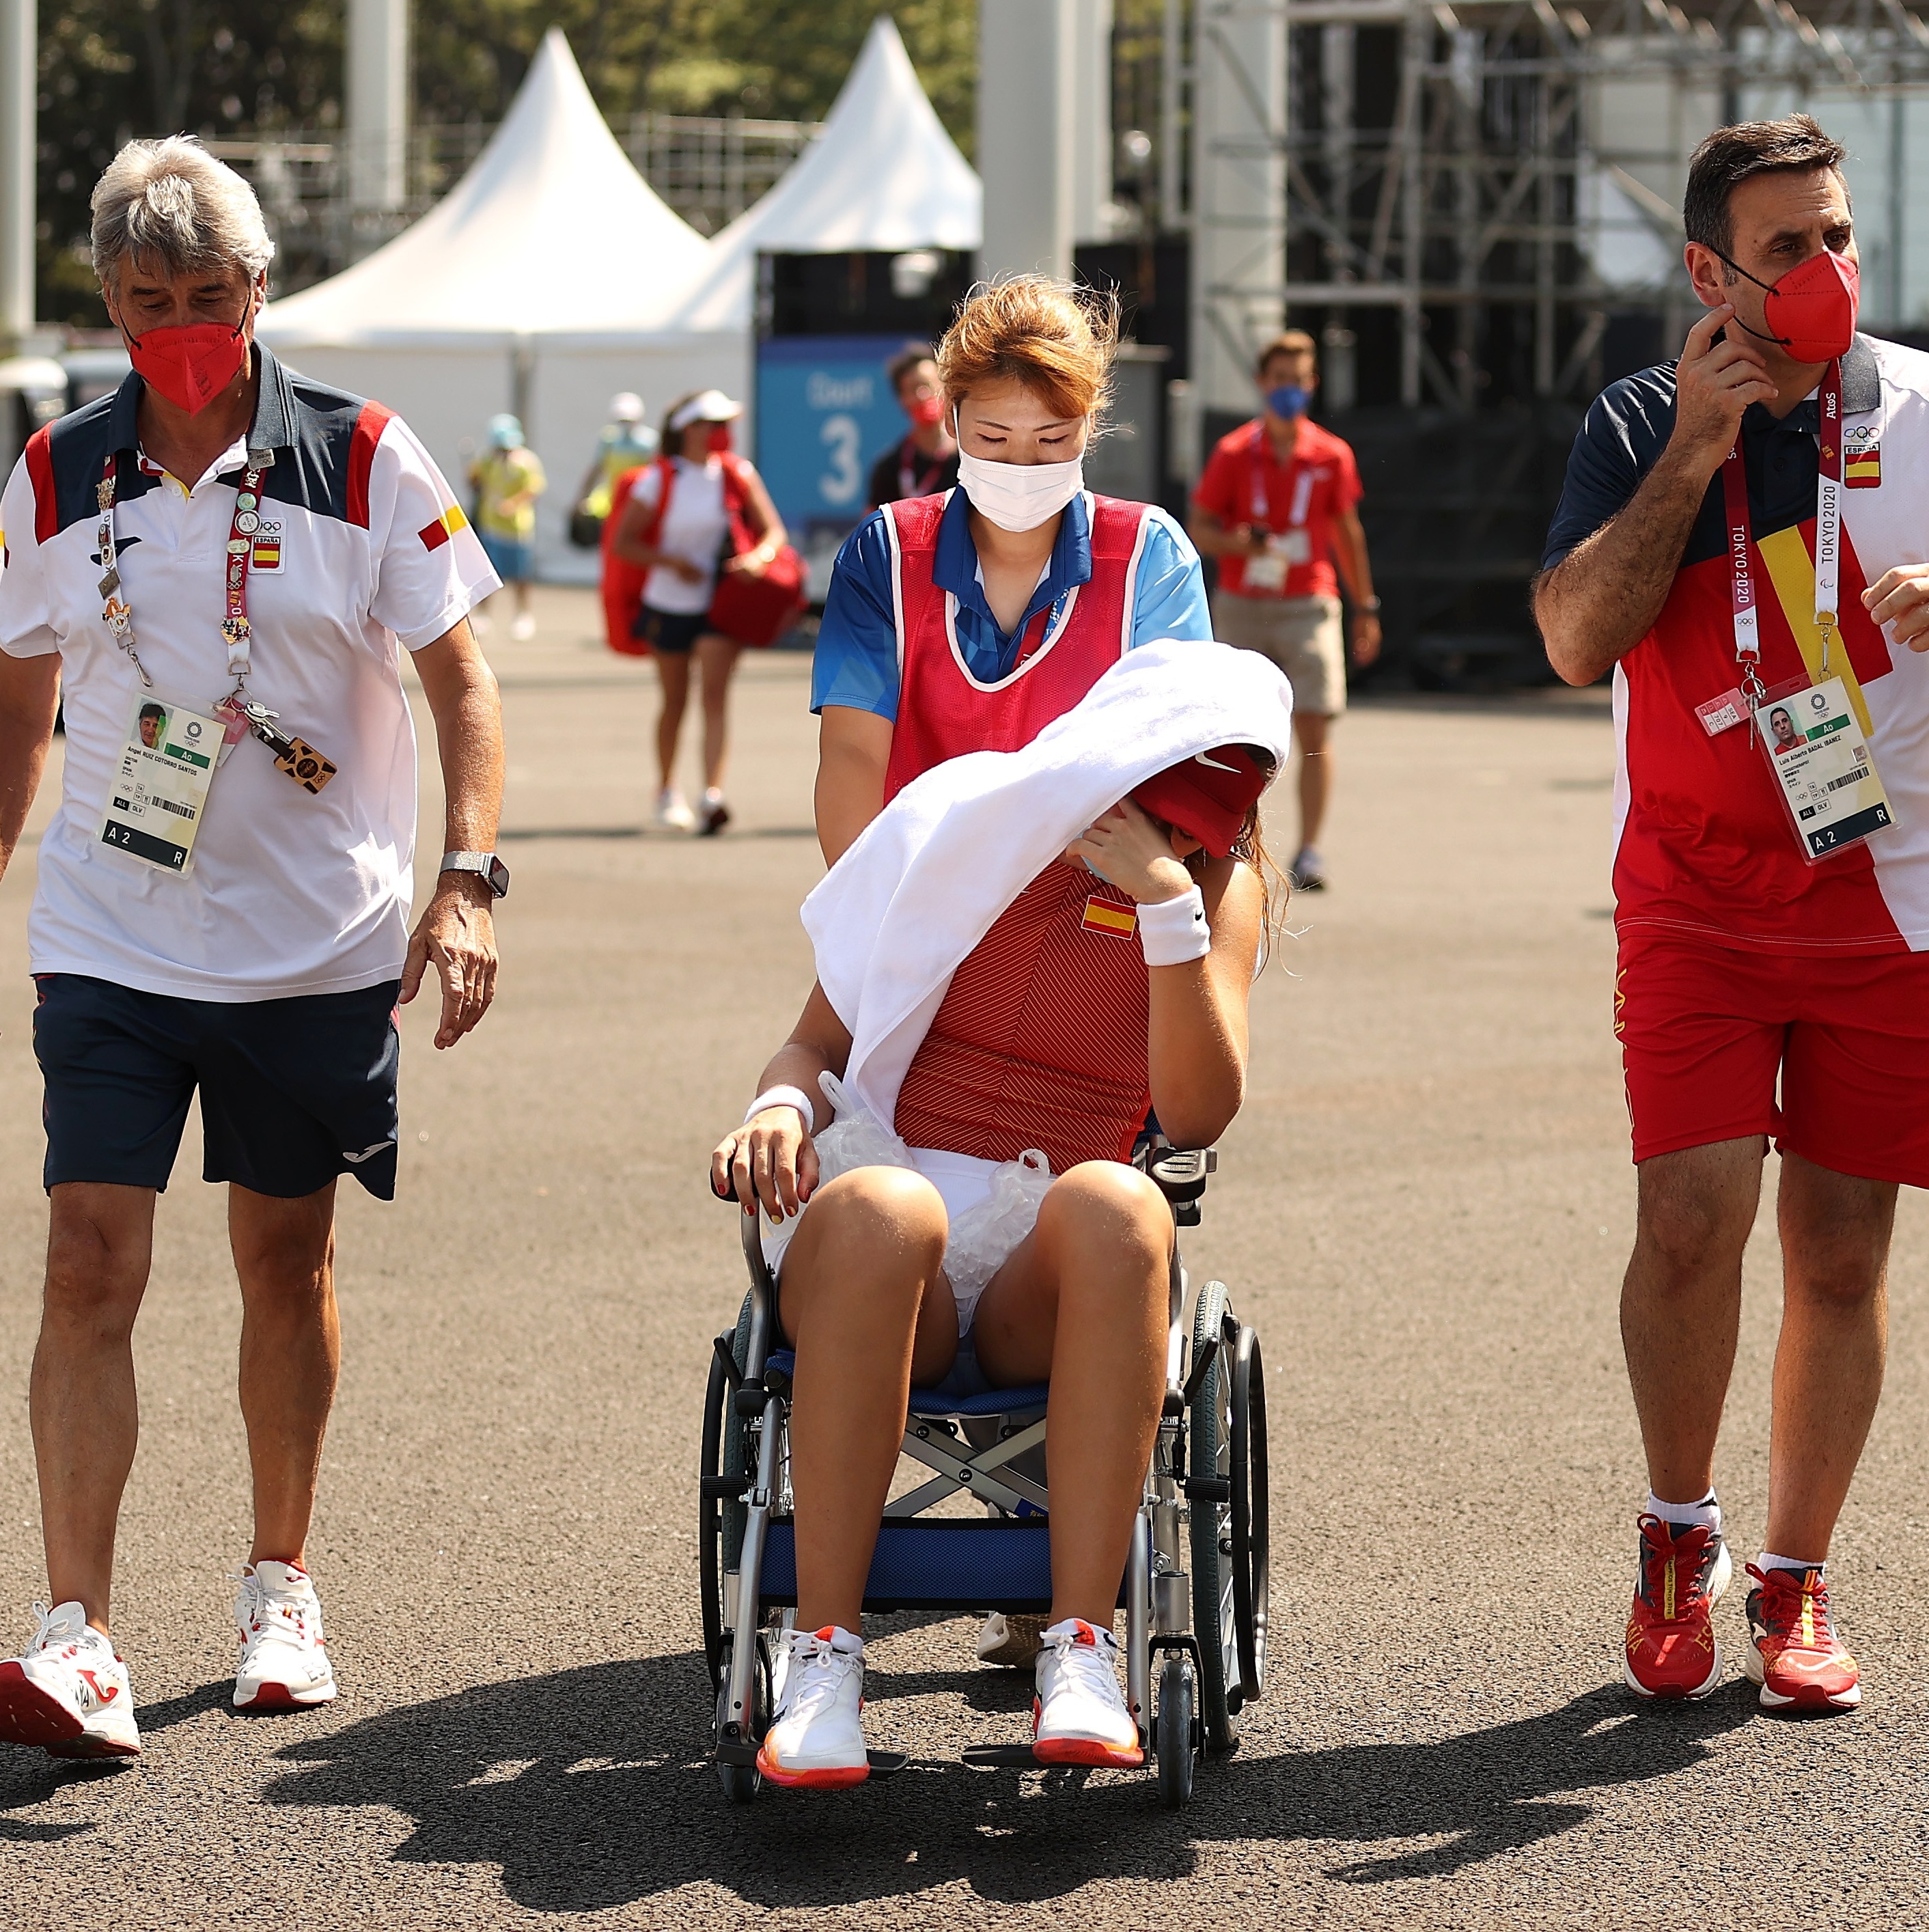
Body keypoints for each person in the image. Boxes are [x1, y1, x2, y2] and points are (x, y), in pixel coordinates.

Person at [0, 136, 507, 1761]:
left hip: (316, 947)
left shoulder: (363, 460)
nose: (181, 327)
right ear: (107, 302)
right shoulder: (49, 476)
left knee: (285, 1262)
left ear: (260, 288)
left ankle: (281, 1584)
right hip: (109, 934)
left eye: (207, 296)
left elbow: (460, 688)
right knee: (89, 1257)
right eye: (147, 301)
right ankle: (76, 1632)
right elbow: (17, 717)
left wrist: (468, 879)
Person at [711, 641, 1291, 1786]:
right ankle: (823, 1659)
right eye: (1157, 814)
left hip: (1048, 1248)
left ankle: (1079, 1648)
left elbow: (1194, 1109)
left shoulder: (1209, 887)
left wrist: (1166, 902)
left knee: (1125, 1205)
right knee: (885, 1205)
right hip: (890, 1211)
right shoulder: (961, 819)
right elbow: (816, 1043)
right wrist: (777, 1103)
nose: (1175, 839)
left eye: (1198, 829)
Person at [1535, 114, 1929, 1713]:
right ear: (1706, 270)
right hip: (1693, 901)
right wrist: (1691, 452)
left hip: (1887, 899)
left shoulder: (1916, 409)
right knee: (1688, 1225)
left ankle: (1794, 1576)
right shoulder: (1638, 418)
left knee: (1839, 1251)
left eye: (1838, 237)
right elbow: (1572, 638)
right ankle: (1672, 1537)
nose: (1825, 270)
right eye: (1786, 247)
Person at [813, 276, 1214, 870]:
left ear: (1090, 423)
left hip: (1097, 908)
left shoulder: (1148, 558)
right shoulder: (888, 553)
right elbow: (852, 754)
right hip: (918, 898)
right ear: (952, 420)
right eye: (993, 438)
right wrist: (867, 919)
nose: (1022, 465)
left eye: (1053, 438)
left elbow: (1177, 757)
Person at [1189, 329, 1382, 892]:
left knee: (1316, 724)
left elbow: (1348, 534)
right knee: (1231, 735)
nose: (1289, 390)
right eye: (1280, 380)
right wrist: (1243, 544)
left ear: (1312, 385)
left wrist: (1365, 606)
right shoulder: (1231, 453)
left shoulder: (1330, 454)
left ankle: (1311, 850)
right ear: (1261, 383)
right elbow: (1200, 529)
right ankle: (1229, 840)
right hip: (1244, 604)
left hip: (1308, 603)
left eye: (1299, 381)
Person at [609, 389, 788, 836]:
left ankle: (712, 795)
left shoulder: (737, 473)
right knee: (675, 700)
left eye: (726, 423)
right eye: (714, 424)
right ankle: (667, 791)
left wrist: (759, 560)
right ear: (689, 430)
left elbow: (773, 532)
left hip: (721, 601)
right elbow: (624, 543)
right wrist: (671, 563)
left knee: (714, 696)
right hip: (668, 604)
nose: (724, 432)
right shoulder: (659, 479)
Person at [468, 412, 545, 641]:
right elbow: (474, 482)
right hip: (490, 526)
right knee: (486, 572)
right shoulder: (486, 460)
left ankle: (523, 615)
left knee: (521, 575)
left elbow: (535, 488)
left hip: (518, 528)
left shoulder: (527, 461)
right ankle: (483, 615)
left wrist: (512, 504)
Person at [866, 343, 958, 509]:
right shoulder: (889, 469)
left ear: (946, 389)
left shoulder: (973, 457)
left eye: (927, 386)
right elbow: (874, 529)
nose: (922, 396)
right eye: (913, 389)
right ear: (901, 400)